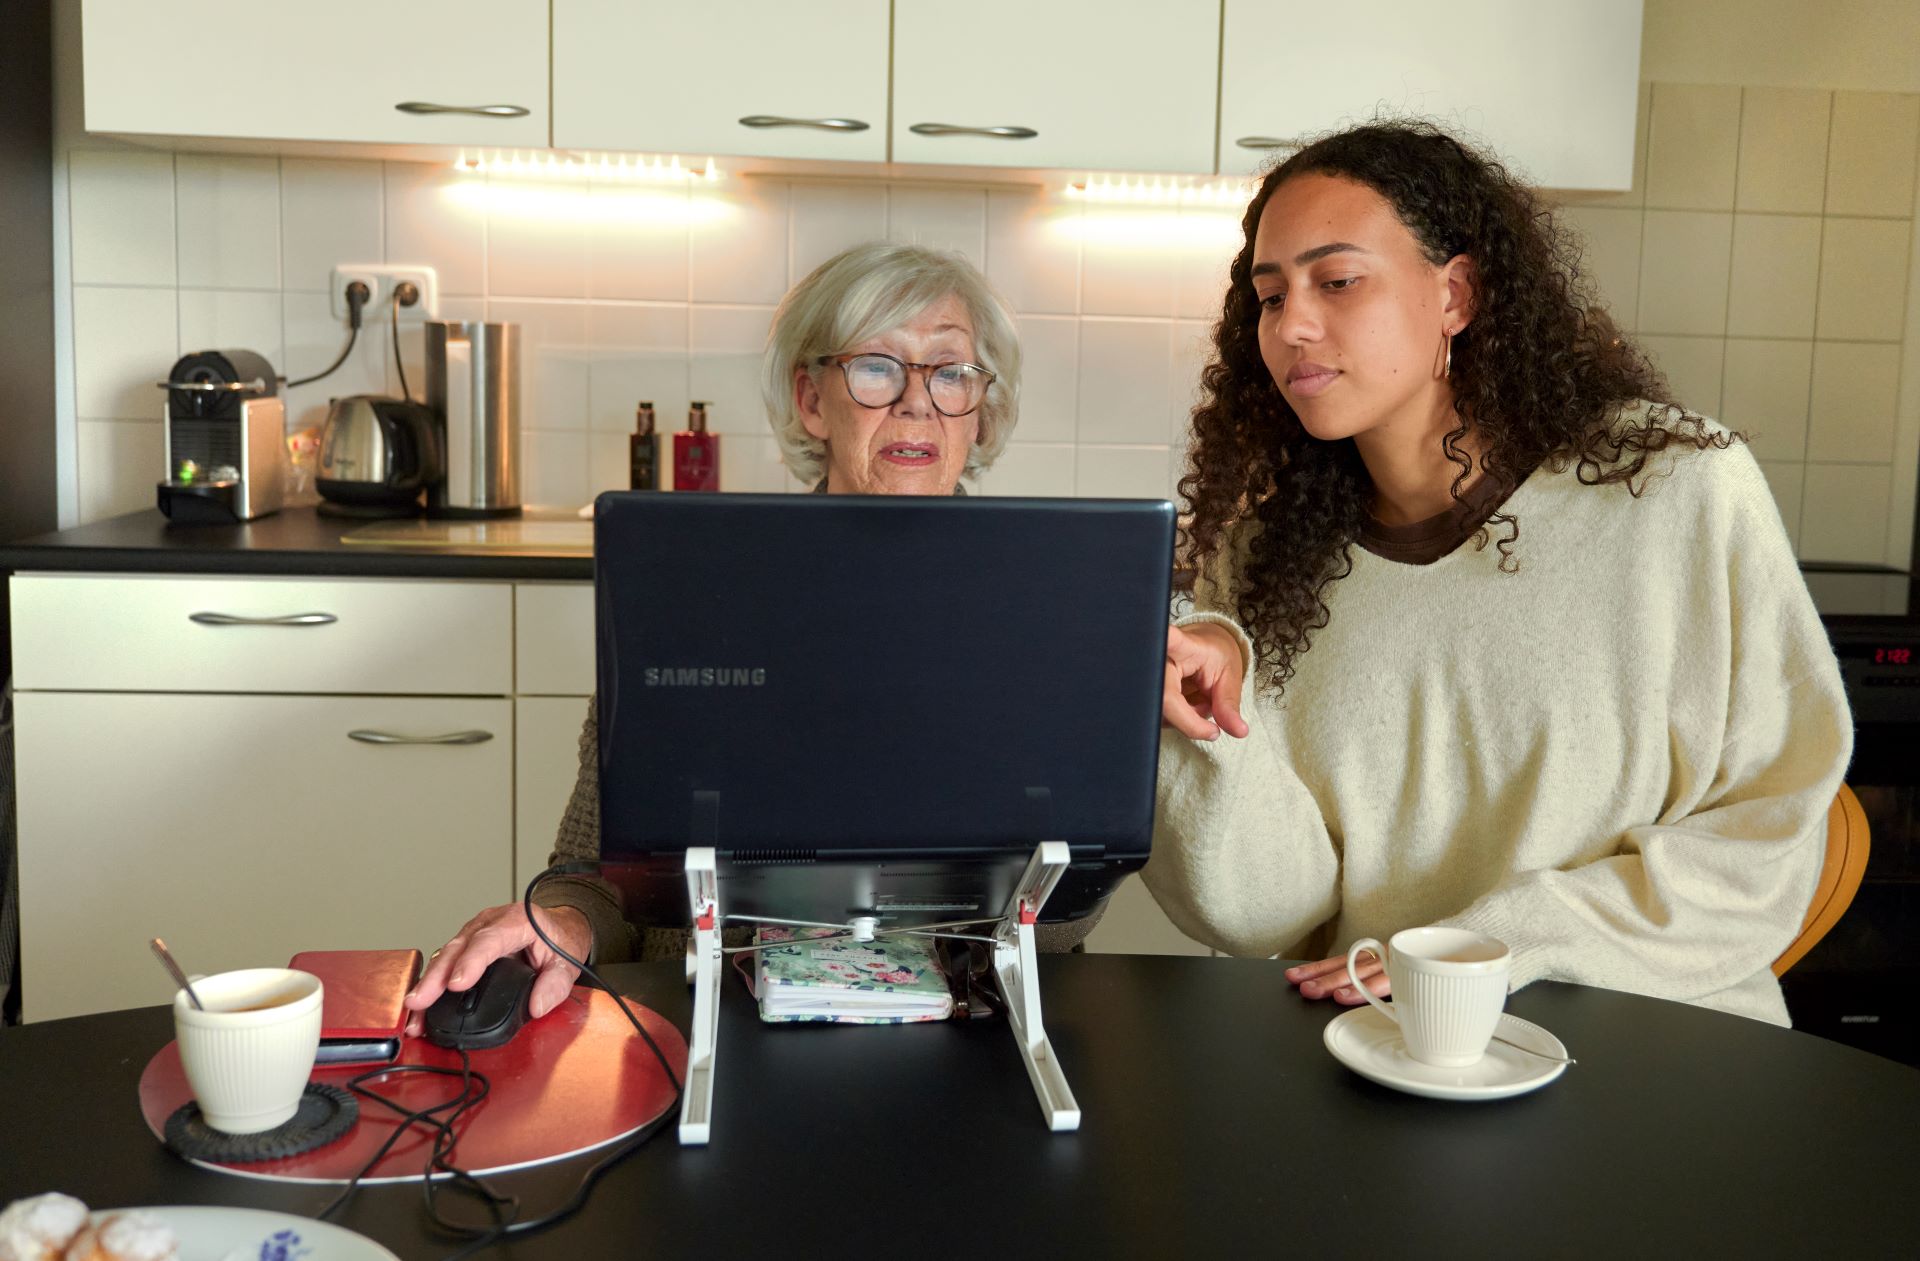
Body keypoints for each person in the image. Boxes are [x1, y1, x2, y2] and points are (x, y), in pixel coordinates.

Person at [1150, 120, 1850, 1027]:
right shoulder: (1261, 563)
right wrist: (1198, 727)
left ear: (1457, 293)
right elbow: (1264, 915)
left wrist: (1499, 942)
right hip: (1385, 1055)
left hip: (1661, 1048)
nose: (1293, 326)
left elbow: (1769, 834)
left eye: (1337, 280)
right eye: (1270, 294)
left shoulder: (1679, 488)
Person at [406, 242, 1102, 1032]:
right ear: (812, 399)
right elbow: (597, 878)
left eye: (949, 372)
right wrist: (560, 923)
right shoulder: (696, 601)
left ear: (980, 412)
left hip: (977, 1035)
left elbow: (1073, 911)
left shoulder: (1046, 619)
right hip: (720, 1028)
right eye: (878, 366)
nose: (917, 402)